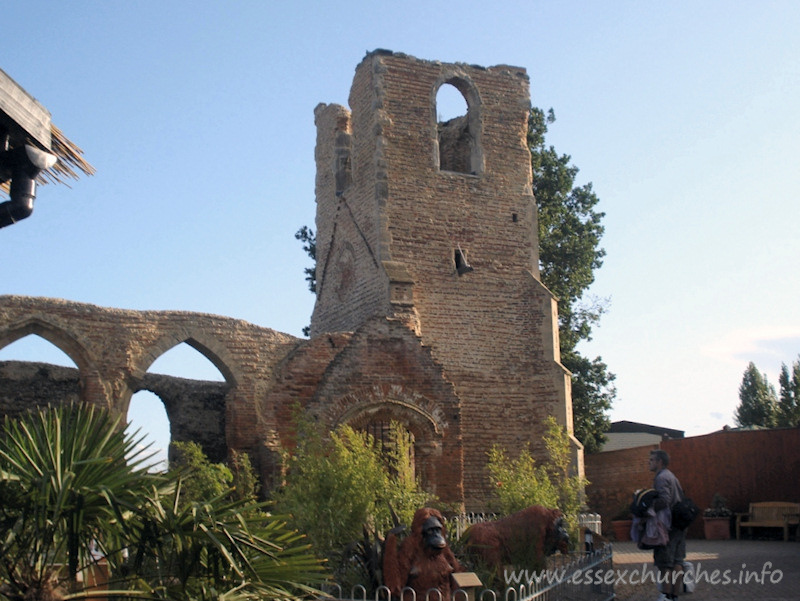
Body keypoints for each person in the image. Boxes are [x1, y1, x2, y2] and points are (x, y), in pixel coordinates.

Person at [648, 449, 686, 600]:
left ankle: (665, 596)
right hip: (679, 523)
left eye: (651, 460)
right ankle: (674, 596)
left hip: (667, 525)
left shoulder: (661, 478)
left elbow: (664, 500)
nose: (648, 462)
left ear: (659, 462)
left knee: (665, 563)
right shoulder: (671, 476)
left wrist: (649, 509)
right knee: (678, 561)